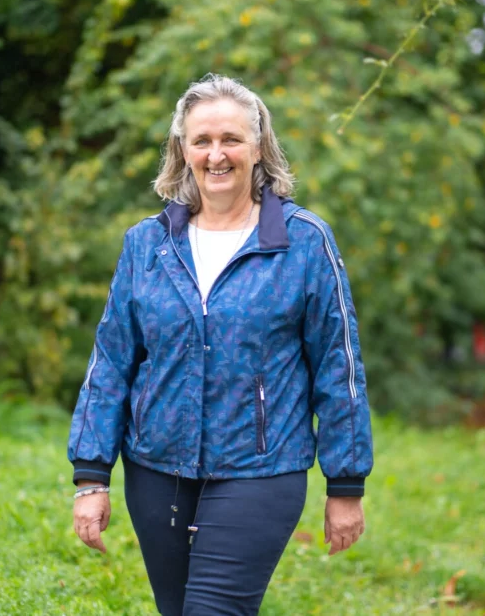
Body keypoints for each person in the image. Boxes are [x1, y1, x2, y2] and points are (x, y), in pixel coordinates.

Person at [67, 74, 374, 615]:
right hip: (156, 470)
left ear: (258, 148)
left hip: (260, 471)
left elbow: (338, 364)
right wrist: (91, 475)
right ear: (182, 150)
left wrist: (345, 483)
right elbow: (111, 362)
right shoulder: (148, 243)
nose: (216, 155)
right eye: (201, 141)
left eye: (231, 139)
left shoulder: (304, 243)